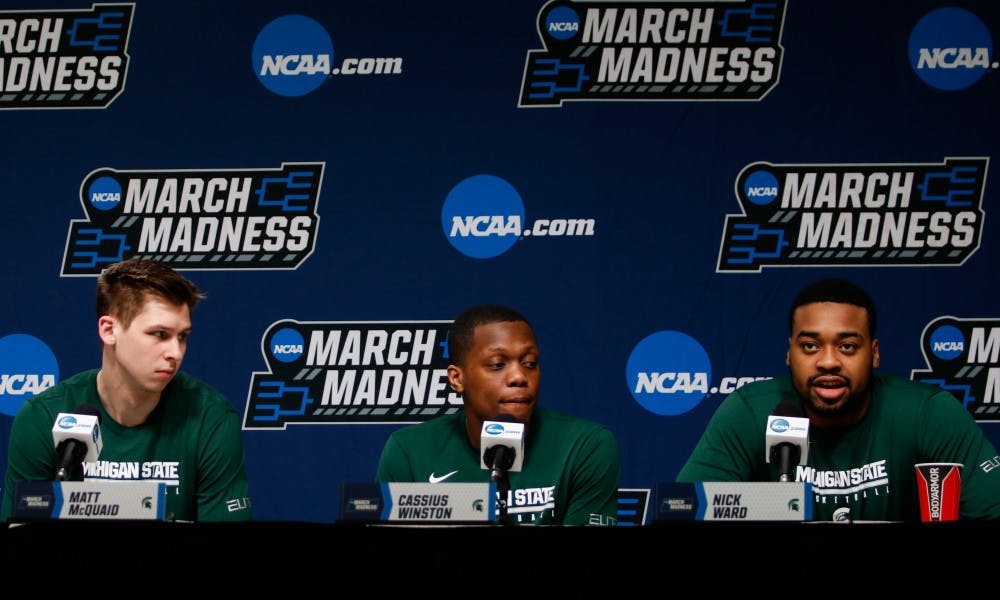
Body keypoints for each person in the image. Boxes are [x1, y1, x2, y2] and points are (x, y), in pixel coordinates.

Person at [676, 277, 1000, 521]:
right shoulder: (750, 412)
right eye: (810, 346)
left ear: (874, 354)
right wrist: (781, 503)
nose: (828, 362)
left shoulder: (928, 414)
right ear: (789, 354)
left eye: (847, 346)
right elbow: (681, 508)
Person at [1, 258, 251, 522]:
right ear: (109, 330)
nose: (175, 353)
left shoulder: (211, 419)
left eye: (182, 336)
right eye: (159, 334)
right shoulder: (42, 417)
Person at [375, 304, 621, 525]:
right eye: (497, 364)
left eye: (530, 363)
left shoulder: (586, 445)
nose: (519, 377)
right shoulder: (408, 451)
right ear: (457, 378)